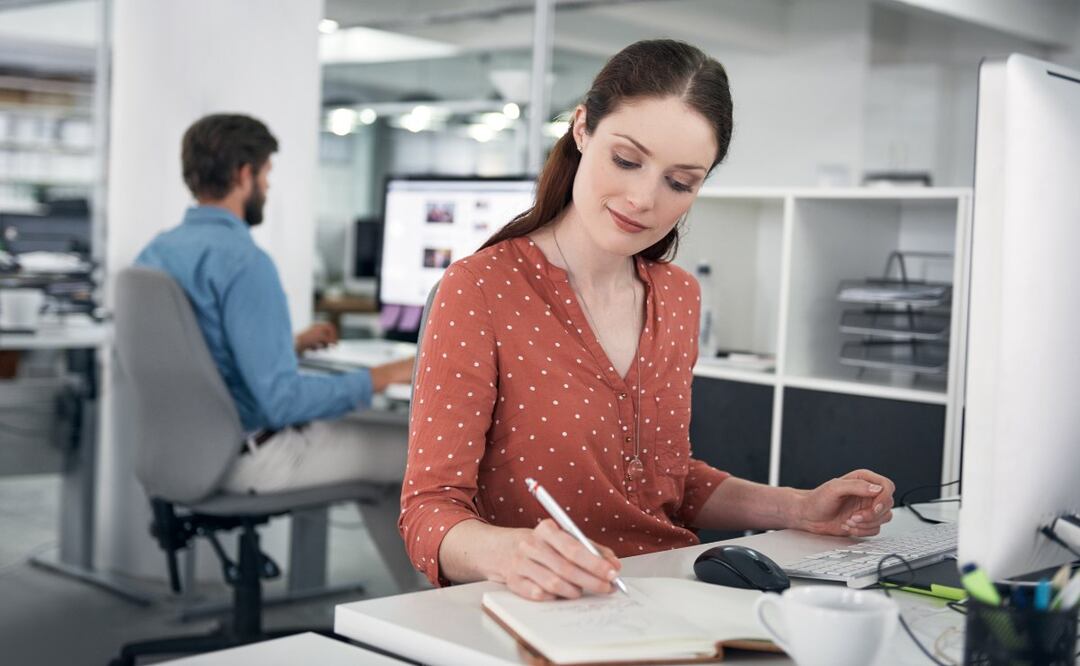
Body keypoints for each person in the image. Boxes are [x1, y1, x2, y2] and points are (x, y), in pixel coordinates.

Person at [398, 39, 896, 601]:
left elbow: (668, 481)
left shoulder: (677, 296)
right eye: (627, 160)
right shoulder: (480, 289)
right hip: (538, 608)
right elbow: (428, 511)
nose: (643, 198)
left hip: (668, 596)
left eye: (679, 183)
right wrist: (510, 555)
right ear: (582, 129)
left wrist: (801, 508)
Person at [137, 113, 414, 494]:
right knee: (420, 457)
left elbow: (196, 352)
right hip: (249, 457)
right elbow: (282, 403)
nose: (267, 185)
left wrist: (286, 346)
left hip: (182, 450)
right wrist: (386, 375)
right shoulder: (245, 262)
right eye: (266, 173)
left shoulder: (157, 252)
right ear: (243, 174)